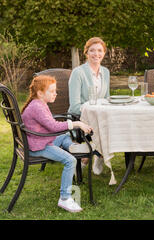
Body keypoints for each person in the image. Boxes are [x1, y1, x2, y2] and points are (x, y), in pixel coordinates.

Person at [21, 75, 93, 212]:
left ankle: (72, 147)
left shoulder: (38, 103)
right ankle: (65, 199)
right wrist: (77, 123)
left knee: (64, 135)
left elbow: (50, 126)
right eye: (52, 91)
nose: (56, 93)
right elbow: (53, 127)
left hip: (38, 140)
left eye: (55, 90)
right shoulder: (37, 107)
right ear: (40, 93)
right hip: (38, 146)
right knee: (70, 160)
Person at [68, 37, 110, 173]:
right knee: (106, 126)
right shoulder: (78, 73)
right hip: (81, 118)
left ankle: (98, 154)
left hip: (101, 116)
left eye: (99, 50)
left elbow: (107, 99)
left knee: (118, 121)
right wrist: (94, 111)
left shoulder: (106, 72)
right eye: (92, 50)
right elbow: (74, 106)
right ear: (86, 53)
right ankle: (95, 155)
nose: (96, 54)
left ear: (104, 53)